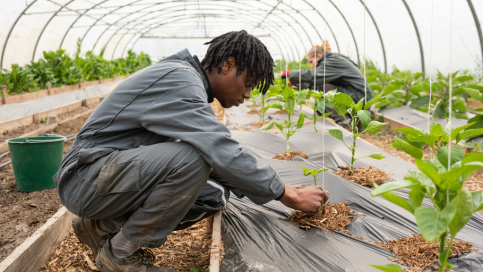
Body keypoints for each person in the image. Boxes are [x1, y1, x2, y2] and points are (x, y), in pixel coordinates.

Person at [53, 30, 329, 272]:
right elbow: (219, 146)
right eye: (248, 84)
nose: (247, 95)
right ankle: (120, 254)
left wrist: (273, 186)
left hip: (101, 176)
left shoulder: (185, 78)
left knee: (213, 193)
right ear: (227, 65)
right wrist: (286, 194)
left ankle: (102, 226)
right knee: (195, 158)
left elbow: (221, 155)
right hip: (85, 179)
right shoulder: (181, 81)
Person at [281, 40, 372, 125]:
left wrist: (291, 74)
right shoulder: (332, 60)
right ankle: (349, 119)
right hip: (357, 96)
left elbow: (314, 76)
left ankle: (344, 121)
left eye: (311, 62)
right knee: (322, 91)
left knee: (327, 89)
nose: (312, 66)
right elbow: (316, 84)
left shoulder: (333, 61)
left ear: (319, 56)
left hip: (360, 98)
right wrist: (297, 84)